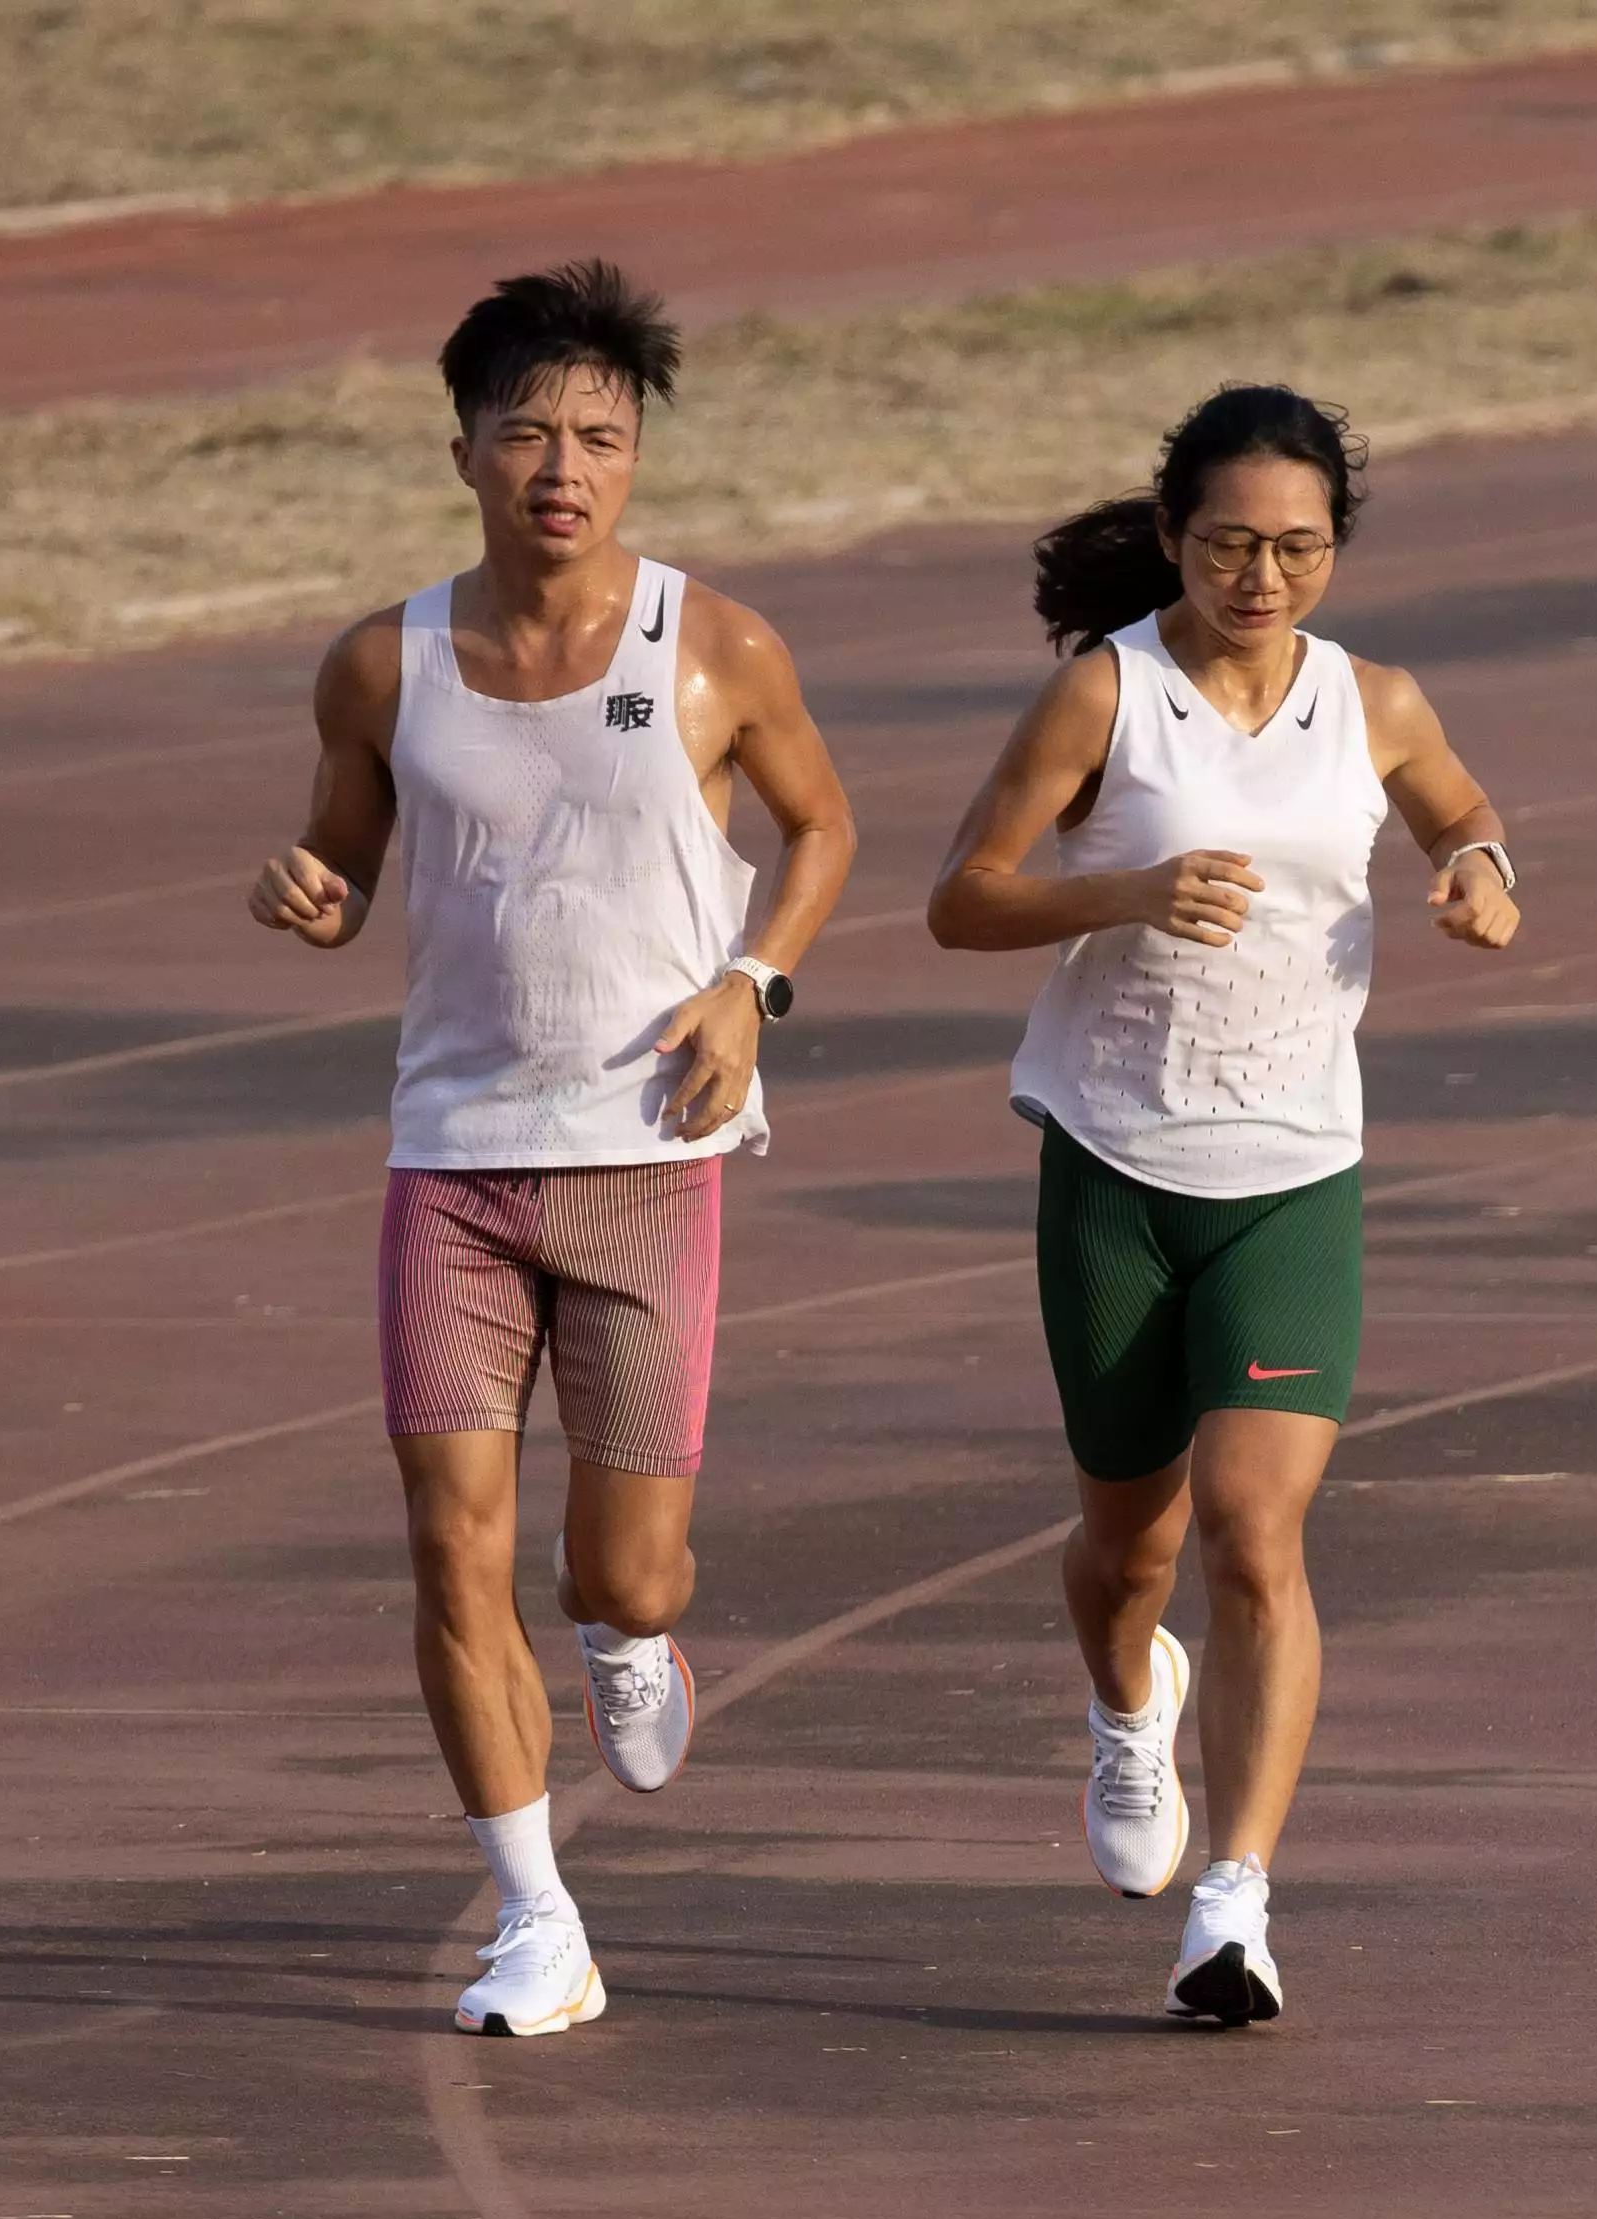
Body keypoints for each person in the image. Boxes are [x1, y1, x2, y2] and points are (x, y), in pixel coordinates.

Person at [248, 259, 856, 2036]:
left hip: (649, 1154)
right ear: (466, 453)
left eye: (599, 434)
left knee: (620, 1566)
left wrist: (756, 982)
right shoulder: (387, 662)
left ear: (638, 456)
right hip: (450, 1160)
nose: (563, 466)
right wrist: (305, 893)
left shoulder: (717, 645)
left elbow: (820, 832)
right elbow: (341, 871)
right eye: (528, 432)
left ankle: (631, 1634)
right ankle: (537, 1917)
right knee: (450, 1545)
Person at [928, 382, 1518, 2026]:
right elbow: (961, 903)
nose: (1264, 578)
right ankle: (1130, 1704)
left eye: (1300, 547)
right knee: (1135, 1543)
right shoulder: (1106, 699)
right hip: (1118, 1164)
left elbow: (1458, 808)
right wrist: (1124, 889)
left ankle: (1236, 1901)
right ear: (1175, 537)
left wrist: (1480, 869)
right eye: (1231, 545)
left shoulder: (1374, 699)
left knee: (1259, 1531)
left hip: (1292, 1175)